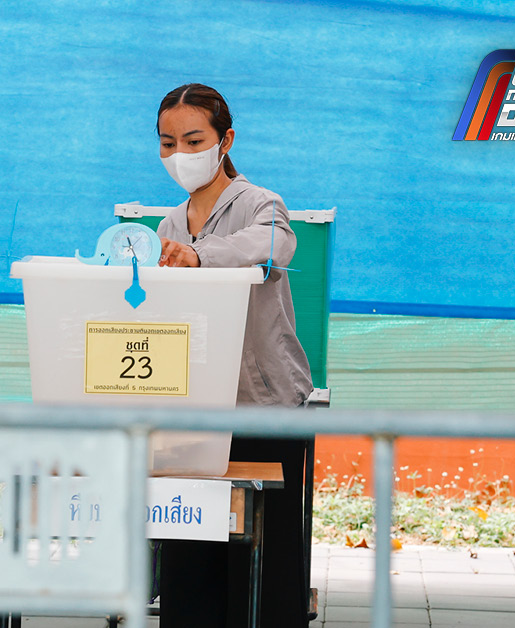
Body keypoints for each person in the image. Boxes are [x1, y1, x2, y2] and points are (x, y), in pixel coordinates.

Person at [154, 83, 314, 627]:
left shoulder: (260, 204)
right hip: (193, 416)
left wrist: (197, 257)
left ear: (225, 141)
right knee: (190, 563)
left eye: (194, 140)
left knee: (262, 572)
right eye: (168, 143)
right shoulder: (169, 226)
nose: (180, 154)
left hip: (262, 410)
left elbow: (271, 248)